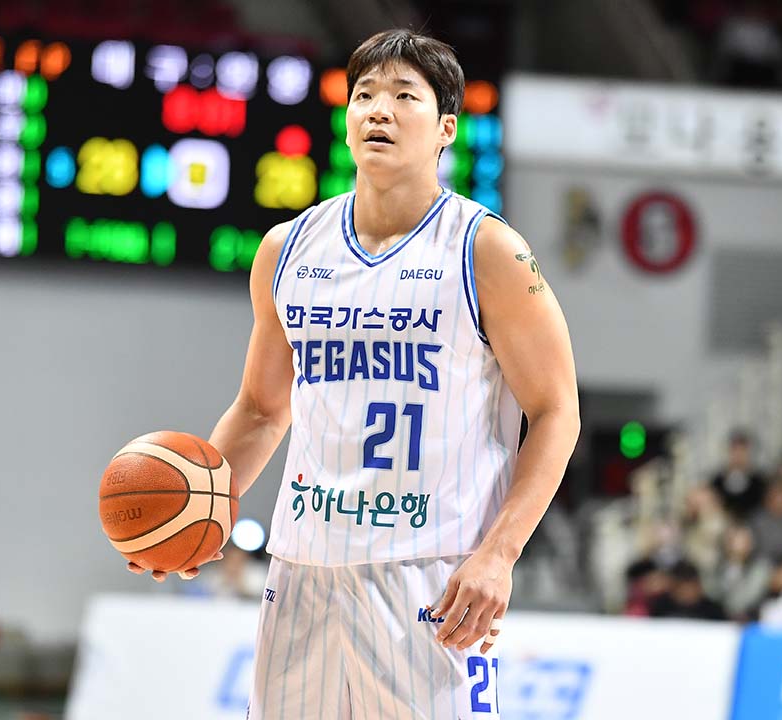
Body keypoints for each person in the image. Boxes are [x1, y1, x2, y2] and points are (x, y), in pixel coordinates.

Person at [127, 29, 580, 719]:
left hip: (432, 575)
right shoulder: (287, 248)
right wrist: (201, 508)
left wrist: (500, 554)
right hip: (301, 573)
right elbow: (260, 410)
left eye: (405, 96)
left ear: (446, 128)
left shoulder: (486, 251)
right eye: (364, 95)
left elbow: (555, 410)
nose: (379, 110)